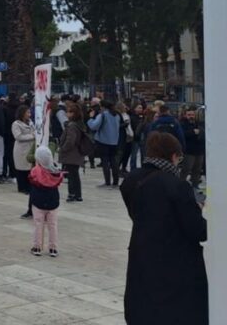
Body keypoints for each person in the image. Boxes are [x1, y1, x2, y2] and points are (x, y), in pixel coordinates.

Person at [120, 132, 207, 325]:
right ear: (174, 156)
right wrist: (198, 210)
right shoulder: (177, 186)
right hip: (174, 264)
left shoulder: (131, 180)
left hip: (142, 255)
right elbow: (197, 230)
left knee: (145, 309)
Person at [29, 146, 63, 257]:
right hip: (53, 202)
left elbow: (31, 179)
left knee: (38, 224)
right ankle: (53, 248)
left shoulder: (35, 171)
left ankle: (37, 247)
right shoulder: (56, 171)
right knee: (53, 225)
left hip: (38, 202)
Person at [58, 102, 88, 203]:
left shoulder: (71, 126)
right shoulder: (80, 124)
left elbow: (70, 141)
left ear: (73, 114)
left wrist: (63, 148)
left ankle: (72, 194)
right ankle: (78, 195)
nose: (67, 114)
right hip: (77, 154)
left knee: (71, 175)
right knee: (75, 175)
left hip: (71, 154)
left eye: (68, 112)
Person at [88, 100, 121, 188]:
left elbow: (94, 126)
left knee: (105, 161)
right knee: (113, 161)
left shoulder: (103, 115)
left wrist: (91, 118)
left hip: (103, 141)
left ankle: (107, 182)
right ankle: (115, 182)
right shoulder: (116, 115)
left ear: (102, 107)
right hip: (114, 141)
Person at [12, 105, 36, 199]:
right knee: (21, 168)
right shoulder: (16, 124)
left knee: (29, 168)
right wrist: (32, 136)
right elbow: (18, 137)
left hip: (30, 148)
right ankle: (22, 187)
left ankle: (28, 186)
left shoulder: (30, 122)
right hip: (21, 148)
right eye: (28, 112)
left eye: (30, 112)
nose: (29, 114)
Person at [180, 106, 205, 189]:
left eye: (192, 114)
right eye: (189, 114)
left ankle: (195, 184)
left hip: (199, 150)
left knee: (197, 169)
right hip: (189, 151)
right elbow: (183, 135)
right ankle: (181, 184)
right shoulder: (183, 124)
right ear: (185, 115)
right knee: (186, 169)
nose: (191, 116)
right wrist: (193, 132)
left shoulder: (200, 123)